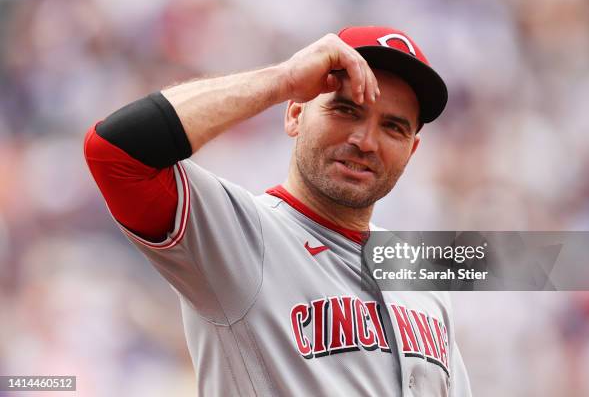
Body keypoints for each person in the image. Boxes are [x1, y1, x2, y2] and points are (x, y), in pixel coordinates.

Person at [84, 25, 472, 396]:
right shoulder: (238, 235)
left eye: (393, 127)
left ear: (411, 150)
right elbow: (115, 153)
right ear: (295, 114)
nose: (365, 141)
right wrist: (284, 78)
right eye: (346, 111)